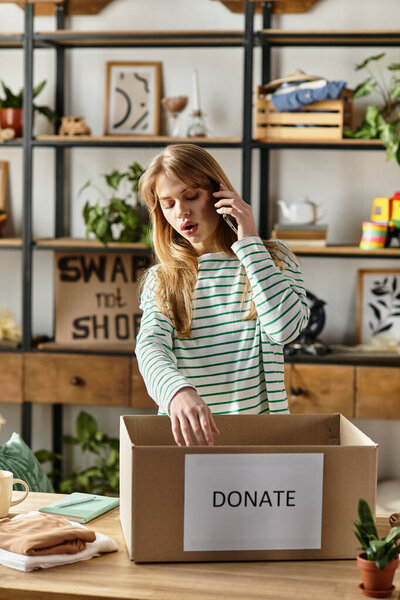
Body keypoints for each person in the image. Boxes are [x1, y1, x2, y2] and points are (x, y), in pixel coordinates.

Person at [136, 144, 309, 447]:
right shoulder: (162, 280)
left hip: (261, 439)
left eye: (191, 196)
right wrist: (178, 391)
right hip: (187, 444)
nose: (181, 212)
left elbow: (285, 329)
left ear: (220, 194)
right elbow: (150, 346)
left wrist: (251, 243)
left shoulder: (275, 257)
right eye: (168, 204)